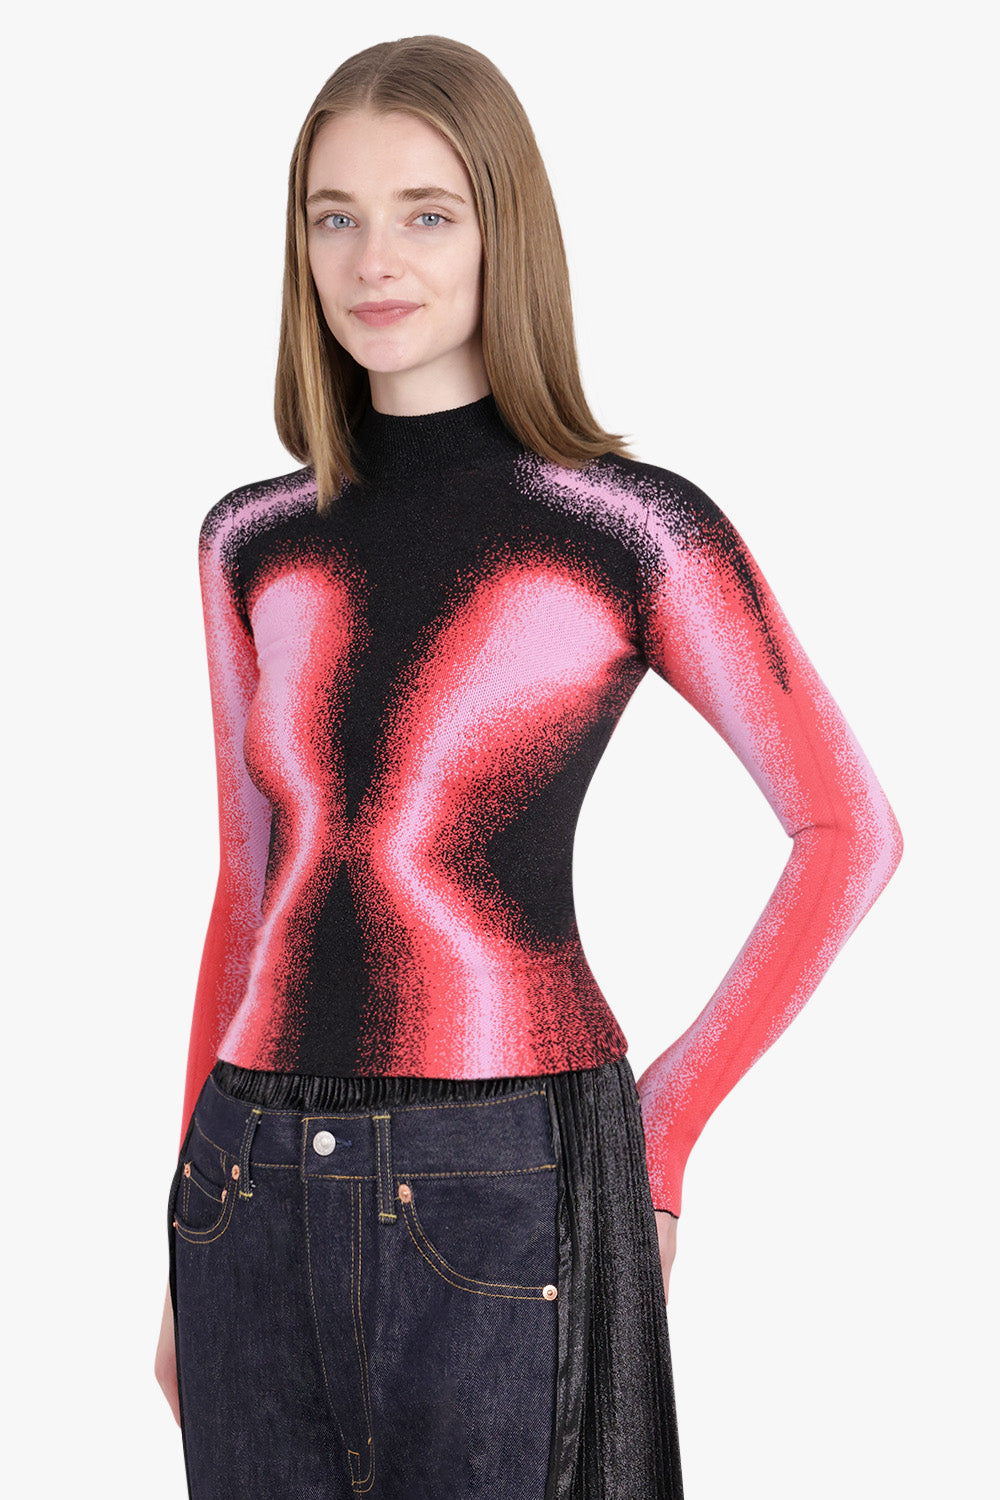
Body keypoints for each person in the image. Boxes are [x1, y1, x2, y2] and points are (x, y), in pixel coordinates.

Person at [154, 33, 903, 1500]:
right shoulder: (250, 538)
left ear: (507, 231)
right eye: (334, 216)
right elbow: (250, 890)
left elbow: (848, 831)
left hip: (509, 1173)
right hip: (245, 1178)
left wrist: (665, 1128)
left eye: (427, 213)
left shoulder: (629, 526)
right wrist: (179, 1224)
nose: (375, 260)